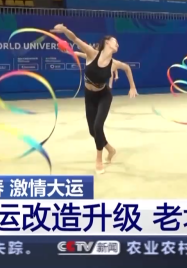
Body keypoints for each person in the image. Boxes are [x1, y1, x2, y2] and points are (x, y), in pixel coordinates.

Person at [52, 24, 137, 174]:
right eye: (115, 42)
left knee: (98, 126)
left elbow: (127, 68)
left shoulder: (114, 64)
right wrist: (65, 30)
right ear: (107, 42)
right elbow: (75, 39)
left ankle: (99, 160)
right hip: (89, 96)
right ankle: (110, 149)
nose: (118, 44)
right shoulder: (91, 53)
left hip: (104, 96)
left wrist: (132, 87)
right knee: (93, 131)